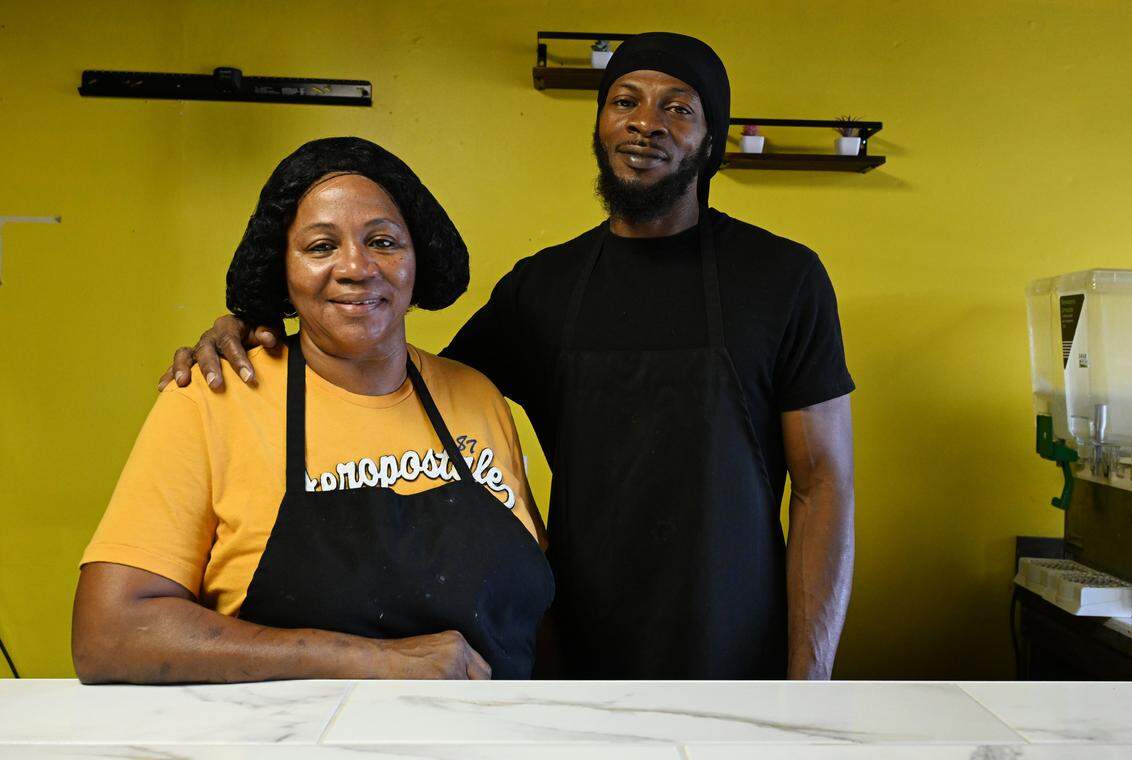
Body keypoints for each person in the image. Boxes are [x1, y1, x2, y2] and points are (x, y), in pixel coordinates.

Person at [162, 33, 855, 680]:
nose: (646, 122)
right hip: (574, 643)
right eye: (624, 101)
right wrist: (252, 317)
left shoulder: (783, 279)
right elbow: (400, 385)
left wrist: (808, 678)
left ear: (711, 142)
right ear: (600, 126)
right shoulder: (543, 287)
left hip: (741, 640)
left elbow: (824, 482)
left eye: (678, 107)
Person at [74, 137, 554, 684]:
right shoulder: (214, 400)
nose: (356, 267)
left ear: (417, 260)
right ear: (283, 269)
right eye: (321, 246)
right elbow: (108, 632)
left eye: (383, 241)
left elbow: (533, 605)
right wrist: (372, 661)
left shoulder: (476, 396)